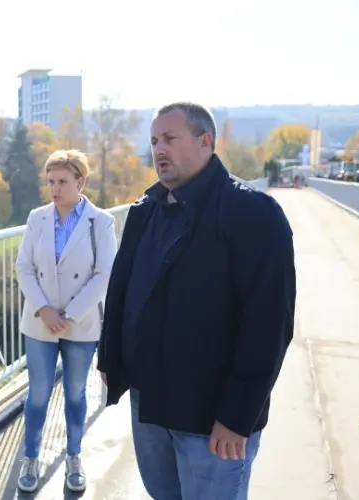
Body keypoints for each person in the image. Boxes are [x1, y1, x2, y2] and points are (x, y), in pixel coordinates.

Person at [98, 102, 296, 499]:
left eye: (170, 139)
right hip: (149, 408)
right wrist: (110, 358)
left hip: (212, 422)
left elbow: (270, 324)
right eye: (154, 141)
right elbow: (121, 290)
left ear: (206, 142)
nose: (159, 149)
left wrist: (238, 416)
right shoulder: (144, 211)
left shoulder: (253, 214)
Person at [15, 149, 117, 493]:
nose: (55, 189)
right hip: (40, 322)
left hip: (80, 323)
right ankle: (31, 458)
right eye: (50, 181)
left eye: (62, 182)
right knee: (38, 394)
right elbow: (24, 267)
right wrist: (44, 309)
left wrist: (70, 314)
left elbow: (104, 274)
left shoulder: (101, 222)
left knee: (75, 393)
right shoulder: (37, 218)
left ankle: (74, 456)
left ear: (80, 182)